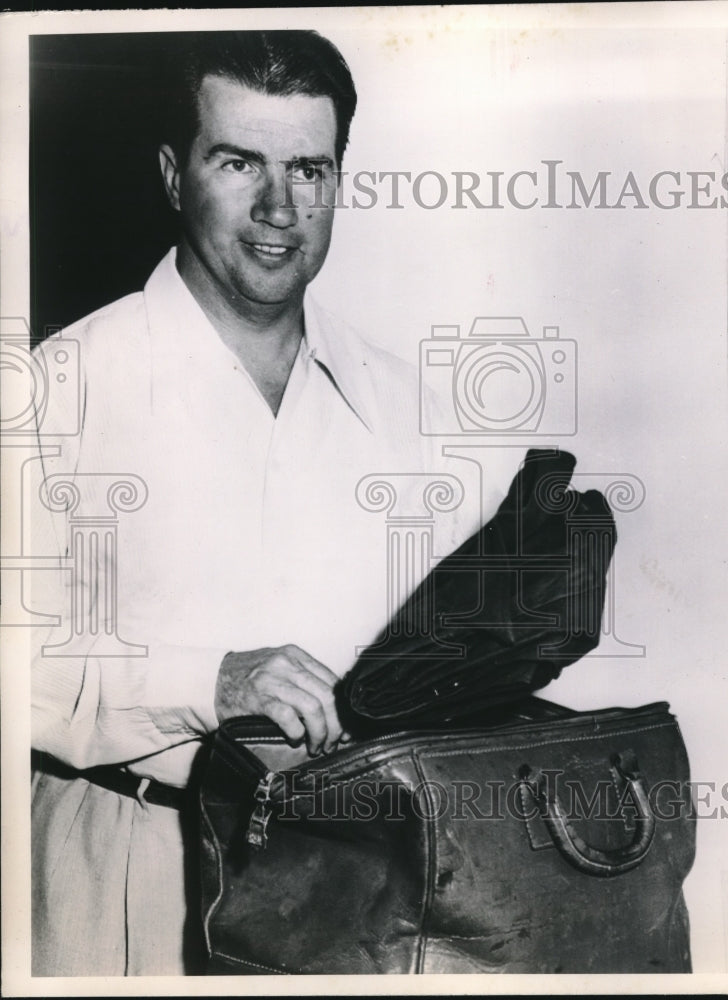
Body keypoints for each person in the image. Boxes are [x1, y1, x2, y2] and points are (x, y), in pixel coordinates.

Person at [29, 30, 495, 976]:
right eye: (239, 162)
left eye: (309, 170)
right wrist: (214, 681)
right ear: (174, 173)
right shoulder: (58, 389)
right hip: (132, 871)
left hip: (368, 882)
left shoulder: (411, 410)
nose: (280, 207)